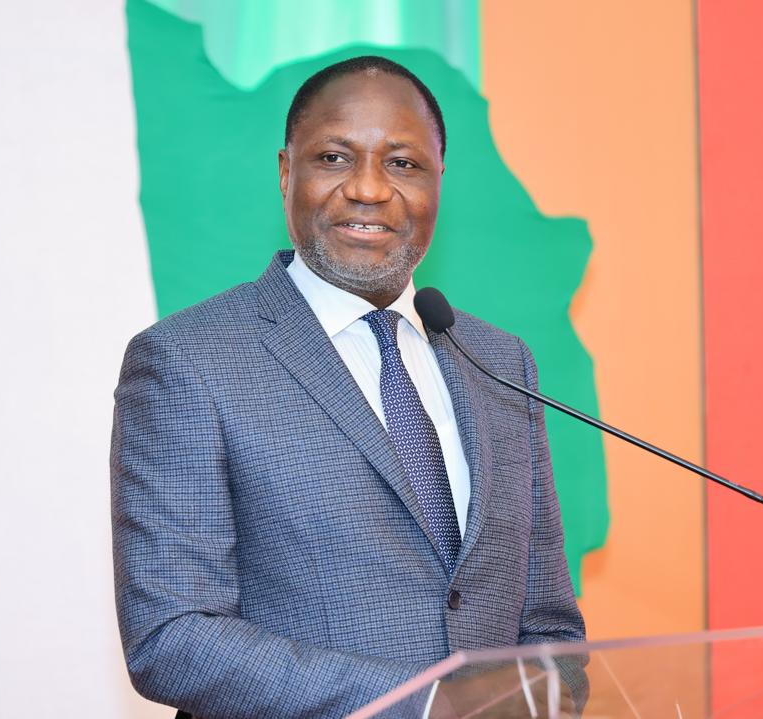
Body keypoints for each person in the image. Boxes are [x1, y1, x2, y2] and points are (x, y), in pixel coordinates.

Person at [111, 55, 585, 718]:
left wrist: (552, 694)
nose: (368, 188)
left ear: (438, 181)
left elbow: (548, 624)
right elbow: (171, 637)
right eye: (334, 158)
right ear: (286, 174)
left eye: (403, 163)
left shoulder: (500, 361)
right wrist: (423, 706)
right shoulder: (189, 360)